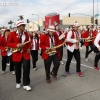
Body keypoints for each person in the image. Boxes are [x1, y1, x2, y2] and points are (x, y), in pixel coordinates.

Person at [7, 20, 31, 91]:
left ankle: (26, 84)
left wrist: (29, 48)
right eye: (23, 25)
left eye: (24, 25)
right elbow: (9, 43)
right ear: (19, 26)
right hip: (17, 54)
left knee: (27, 69)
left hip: (25, 54)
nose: (24, 26)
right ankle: (18, 81)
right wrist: (16, 45)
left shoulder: (26, 33)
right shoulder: (12, 34)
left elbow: (29, 42)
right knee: (18, 70)